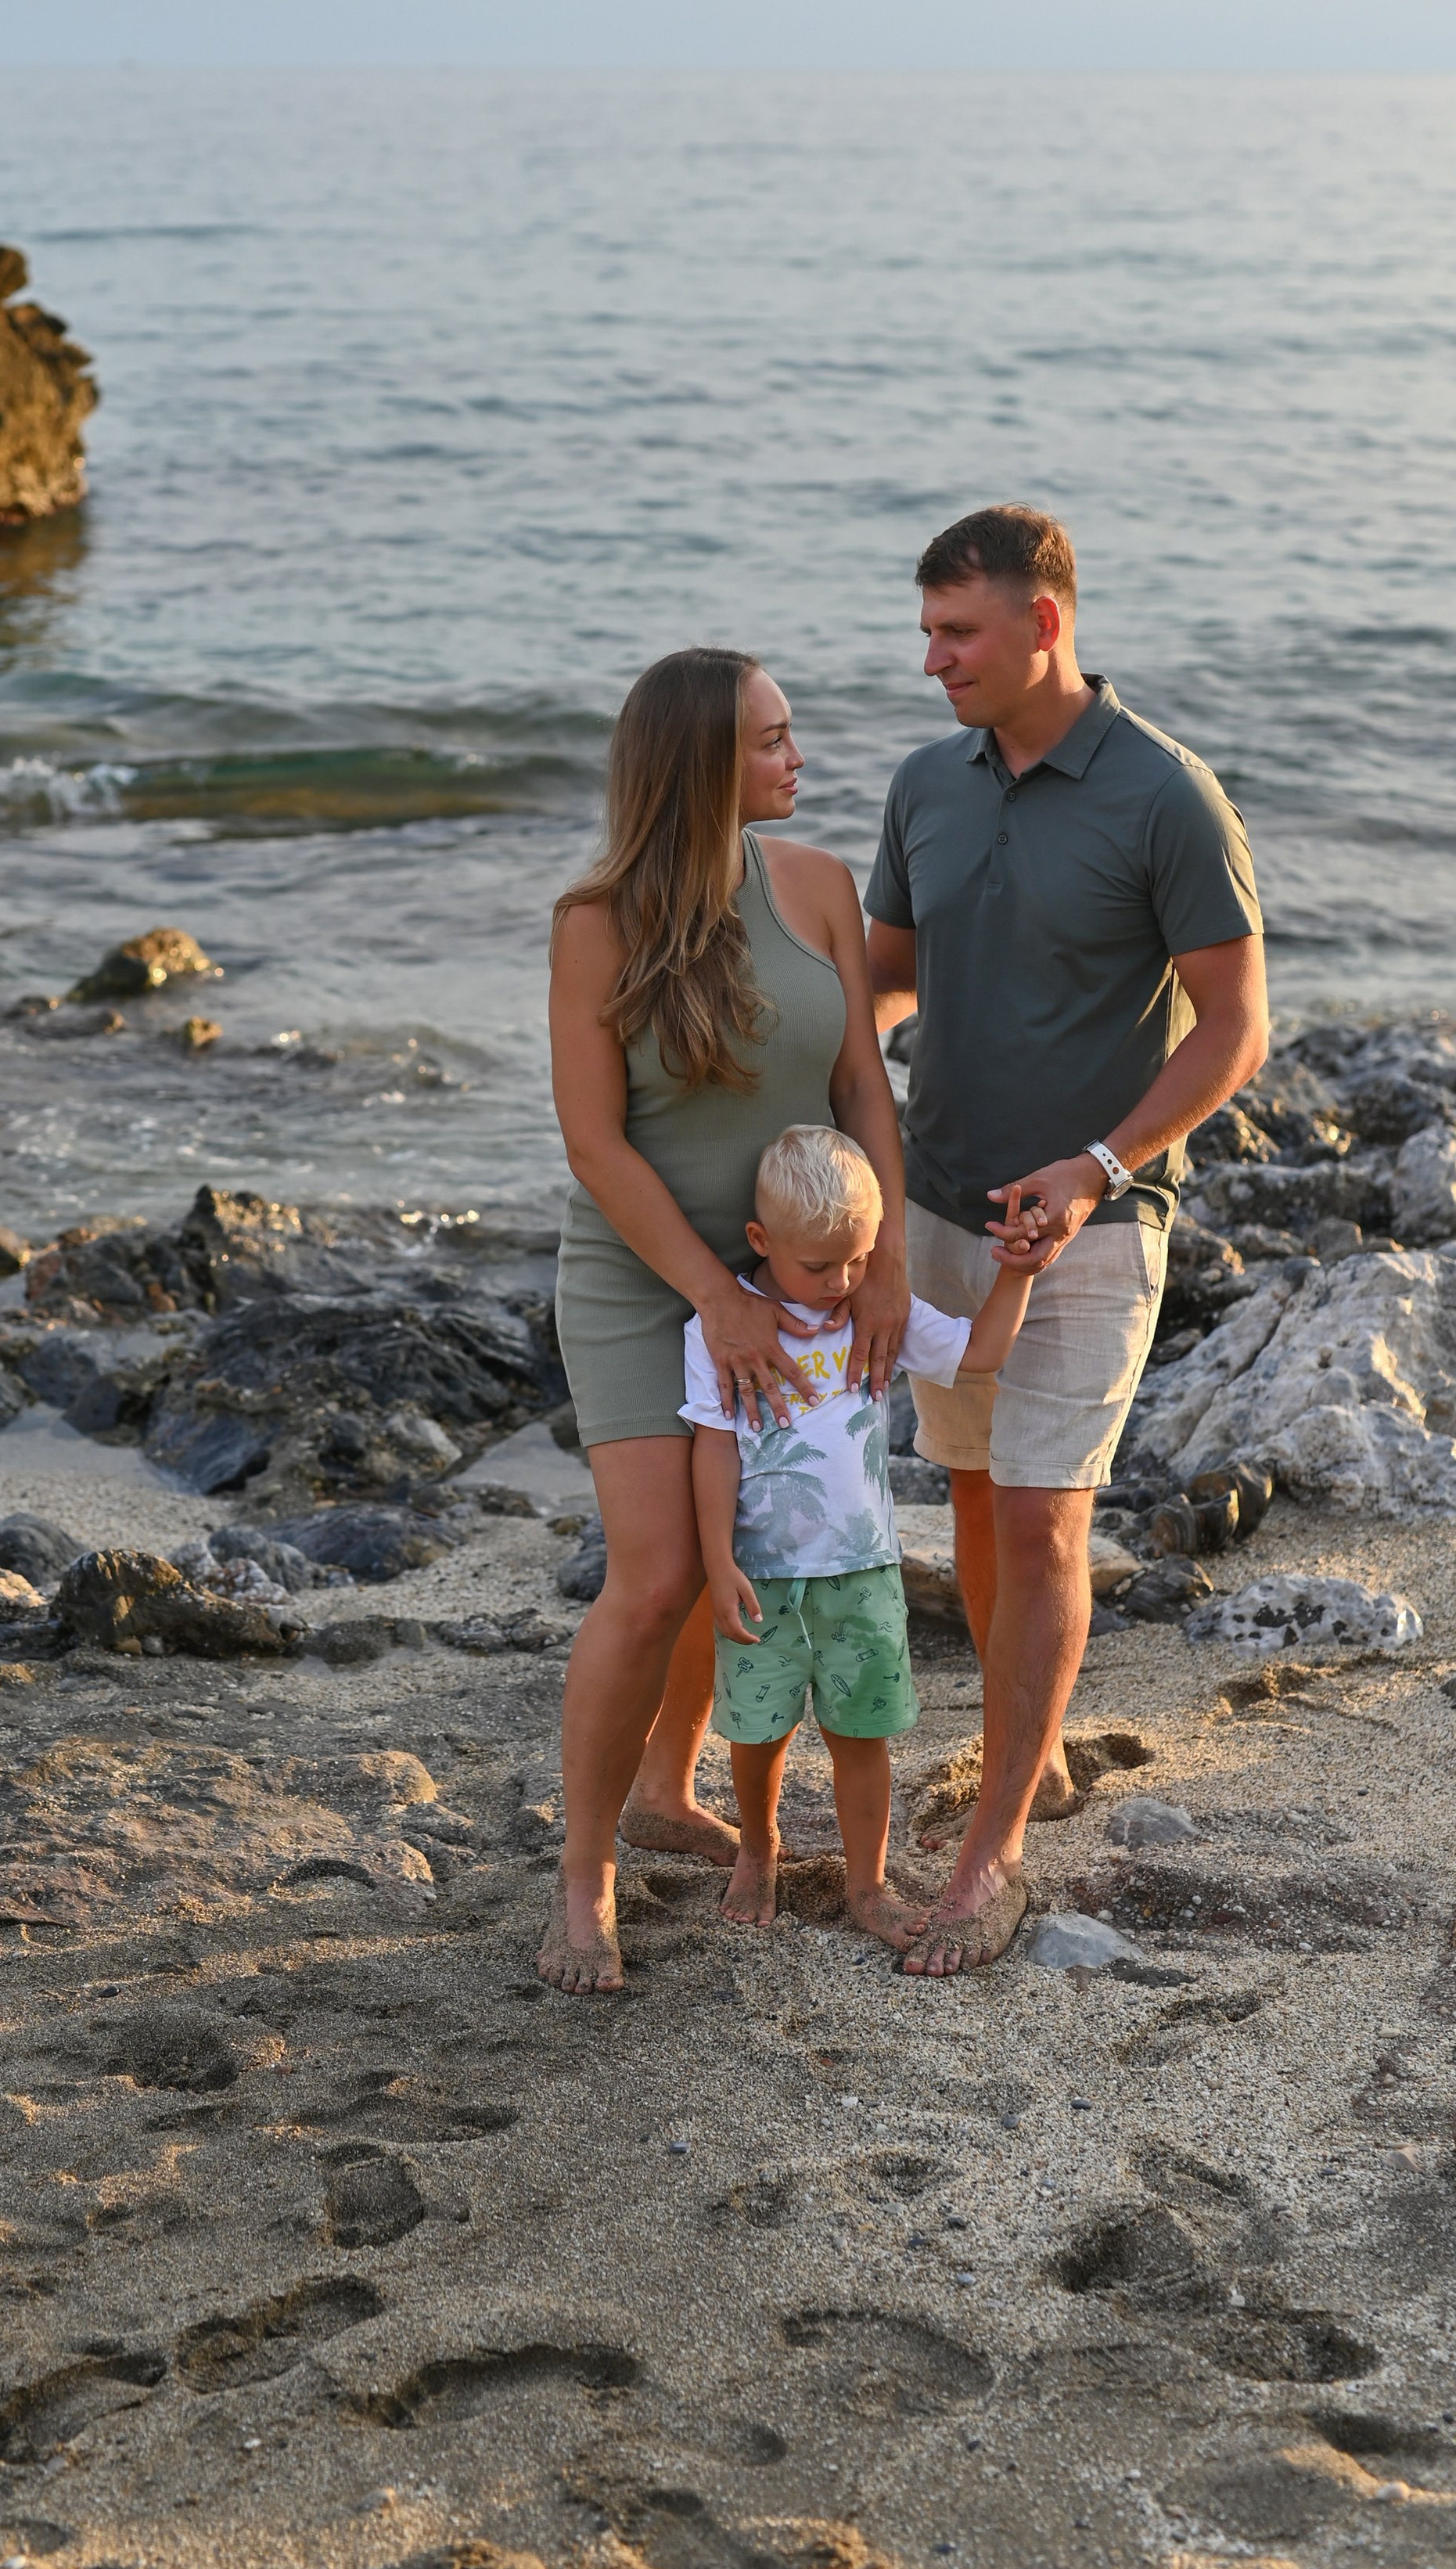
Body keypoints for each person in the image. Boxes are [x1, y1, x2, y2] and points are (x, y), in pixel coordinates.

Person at [865, 505, 1268, 1976]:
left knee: (1045, 1517)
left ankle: (995, 1855)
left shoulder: (1167, 794)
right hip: (937, 1204)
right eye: (926, 631)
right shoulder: (927, 783)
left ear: (1044, 624)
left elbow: (1234, 1028)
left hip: (1094, 1221)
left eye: (957, 633)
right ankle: (1022, 1757)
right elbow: (882, 987)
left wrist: (1099, 1168)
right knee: (974, 1494)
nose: (932, 661)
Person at [541, 648, 912, 1995]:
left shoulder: (816, 887)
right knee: (654, 1580)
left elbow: (863, 1089)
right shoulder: (597, 923)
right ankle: (584, 1877)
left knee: (739, 1552)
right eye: (769, 740)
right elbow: (596, 1143)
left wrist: (884, 1262)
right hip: (648, 1284)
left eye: (790, 734)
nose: (796, 759)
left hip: (799, 1280)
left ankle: (666, 1787)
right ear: (700, 768)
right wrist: (716, 1296)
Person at [684, 1125, 1037, 1943]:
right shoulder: (720, 1328)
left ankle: (867, 1884)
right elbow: (712, 1446)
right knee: (757, 1731)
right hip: (761, 1574)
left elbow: (983, 1353)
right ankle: (759, 1847)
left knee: (861, 1735)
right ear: (760, 1240)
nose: (841, 1282)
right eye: (818, 1267)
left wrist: (1017, 1273)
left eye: (858, 1260)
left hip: (864, 1573)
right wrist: (716, 1559)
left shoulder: (877, 1313)